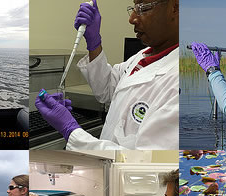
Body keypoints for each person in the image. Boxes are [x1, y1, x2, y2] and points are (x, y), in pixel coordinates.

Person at [35, 0, 179, 150]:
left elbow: (146, 162)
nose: (132, 18)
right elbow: (107, 89)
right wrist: (93, 41)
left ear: (175, 7)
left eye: (143, 8)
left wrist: (71, 130)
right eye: (134, 8)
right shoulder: (143, 55)